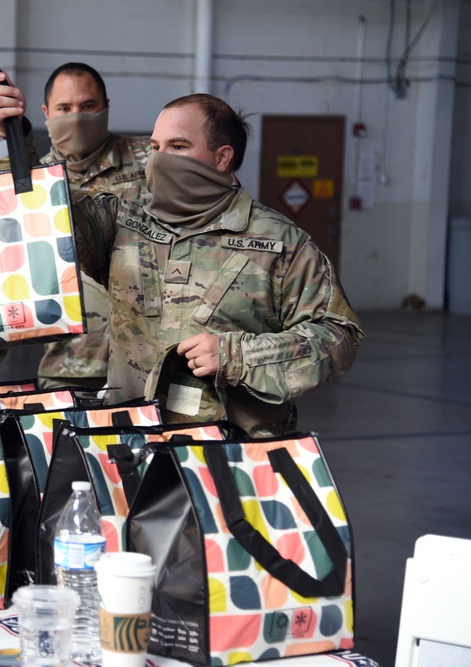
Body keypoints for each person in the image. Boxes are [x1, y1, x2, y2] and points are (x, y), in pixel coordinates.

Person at [70, 93, 364, 435]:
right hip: (132, 439)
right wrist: (16, 137)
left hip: (229, 448)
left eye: (178, 146)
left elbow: (338, 337)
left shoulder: (279, 242)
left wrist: (237, 356)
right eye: (155, 147)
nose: (160, 159)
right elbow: (46, 211)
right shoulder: (120, 221)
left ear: (222, 157)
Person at [0, 62, 150, 393]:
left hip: (149, 368)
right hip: (70, 368)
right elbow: (0, 247)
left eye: (88, 106)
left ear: (106, 107)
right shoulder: (37, 178)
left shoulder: (151, 158)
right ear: (46, 113)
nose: (76, 117)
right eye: (65, 108)